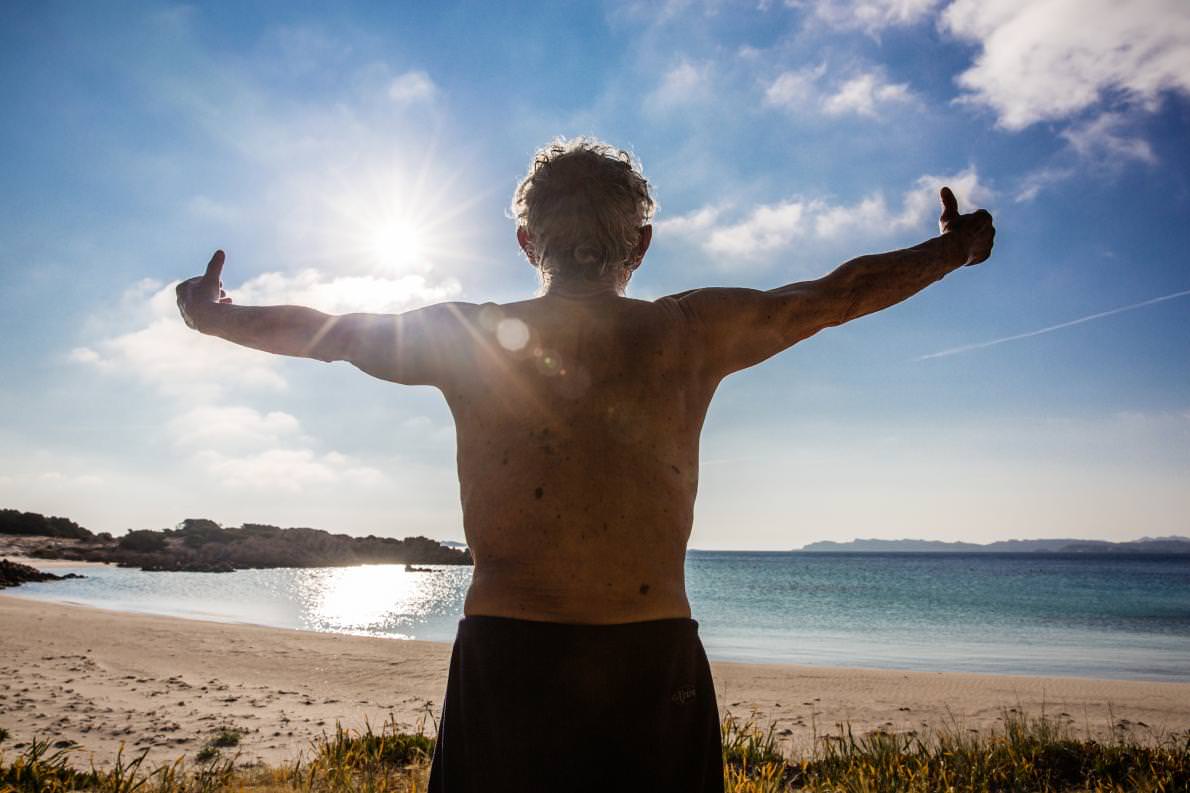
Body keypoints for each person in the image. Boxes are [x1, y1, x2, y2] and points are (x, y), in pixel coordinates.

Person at [176, 138, 995, 791]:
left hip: (507, 657)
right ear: (641, 241)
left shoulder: (469, 337)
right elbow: (835, 294)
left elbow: (333, 333)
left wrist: (219, 319)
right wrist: (951, 252)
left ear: (526, 240)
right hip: (651, 661)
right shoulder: (688, 331)